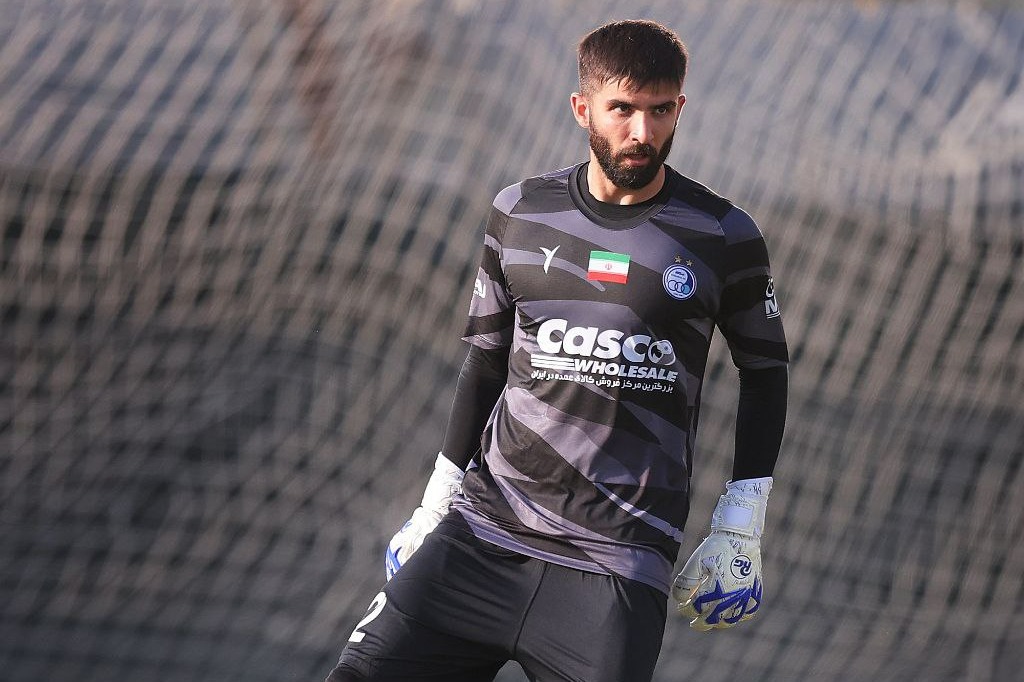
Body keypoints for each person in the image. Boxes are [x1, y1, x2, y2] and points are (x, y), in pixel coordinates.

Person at [326, 19, 788, 682]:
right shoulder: (520, 212)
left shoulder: (722, 233)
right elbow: (485, 361)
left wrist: (741, 520)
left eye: (661, 111)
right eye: (622, 109)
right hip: (482, 535)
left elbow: (765, 373)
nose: (642, 131)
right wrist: (436, 502)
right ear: (582, 108)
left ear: (680, 108)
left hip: (616, 568)